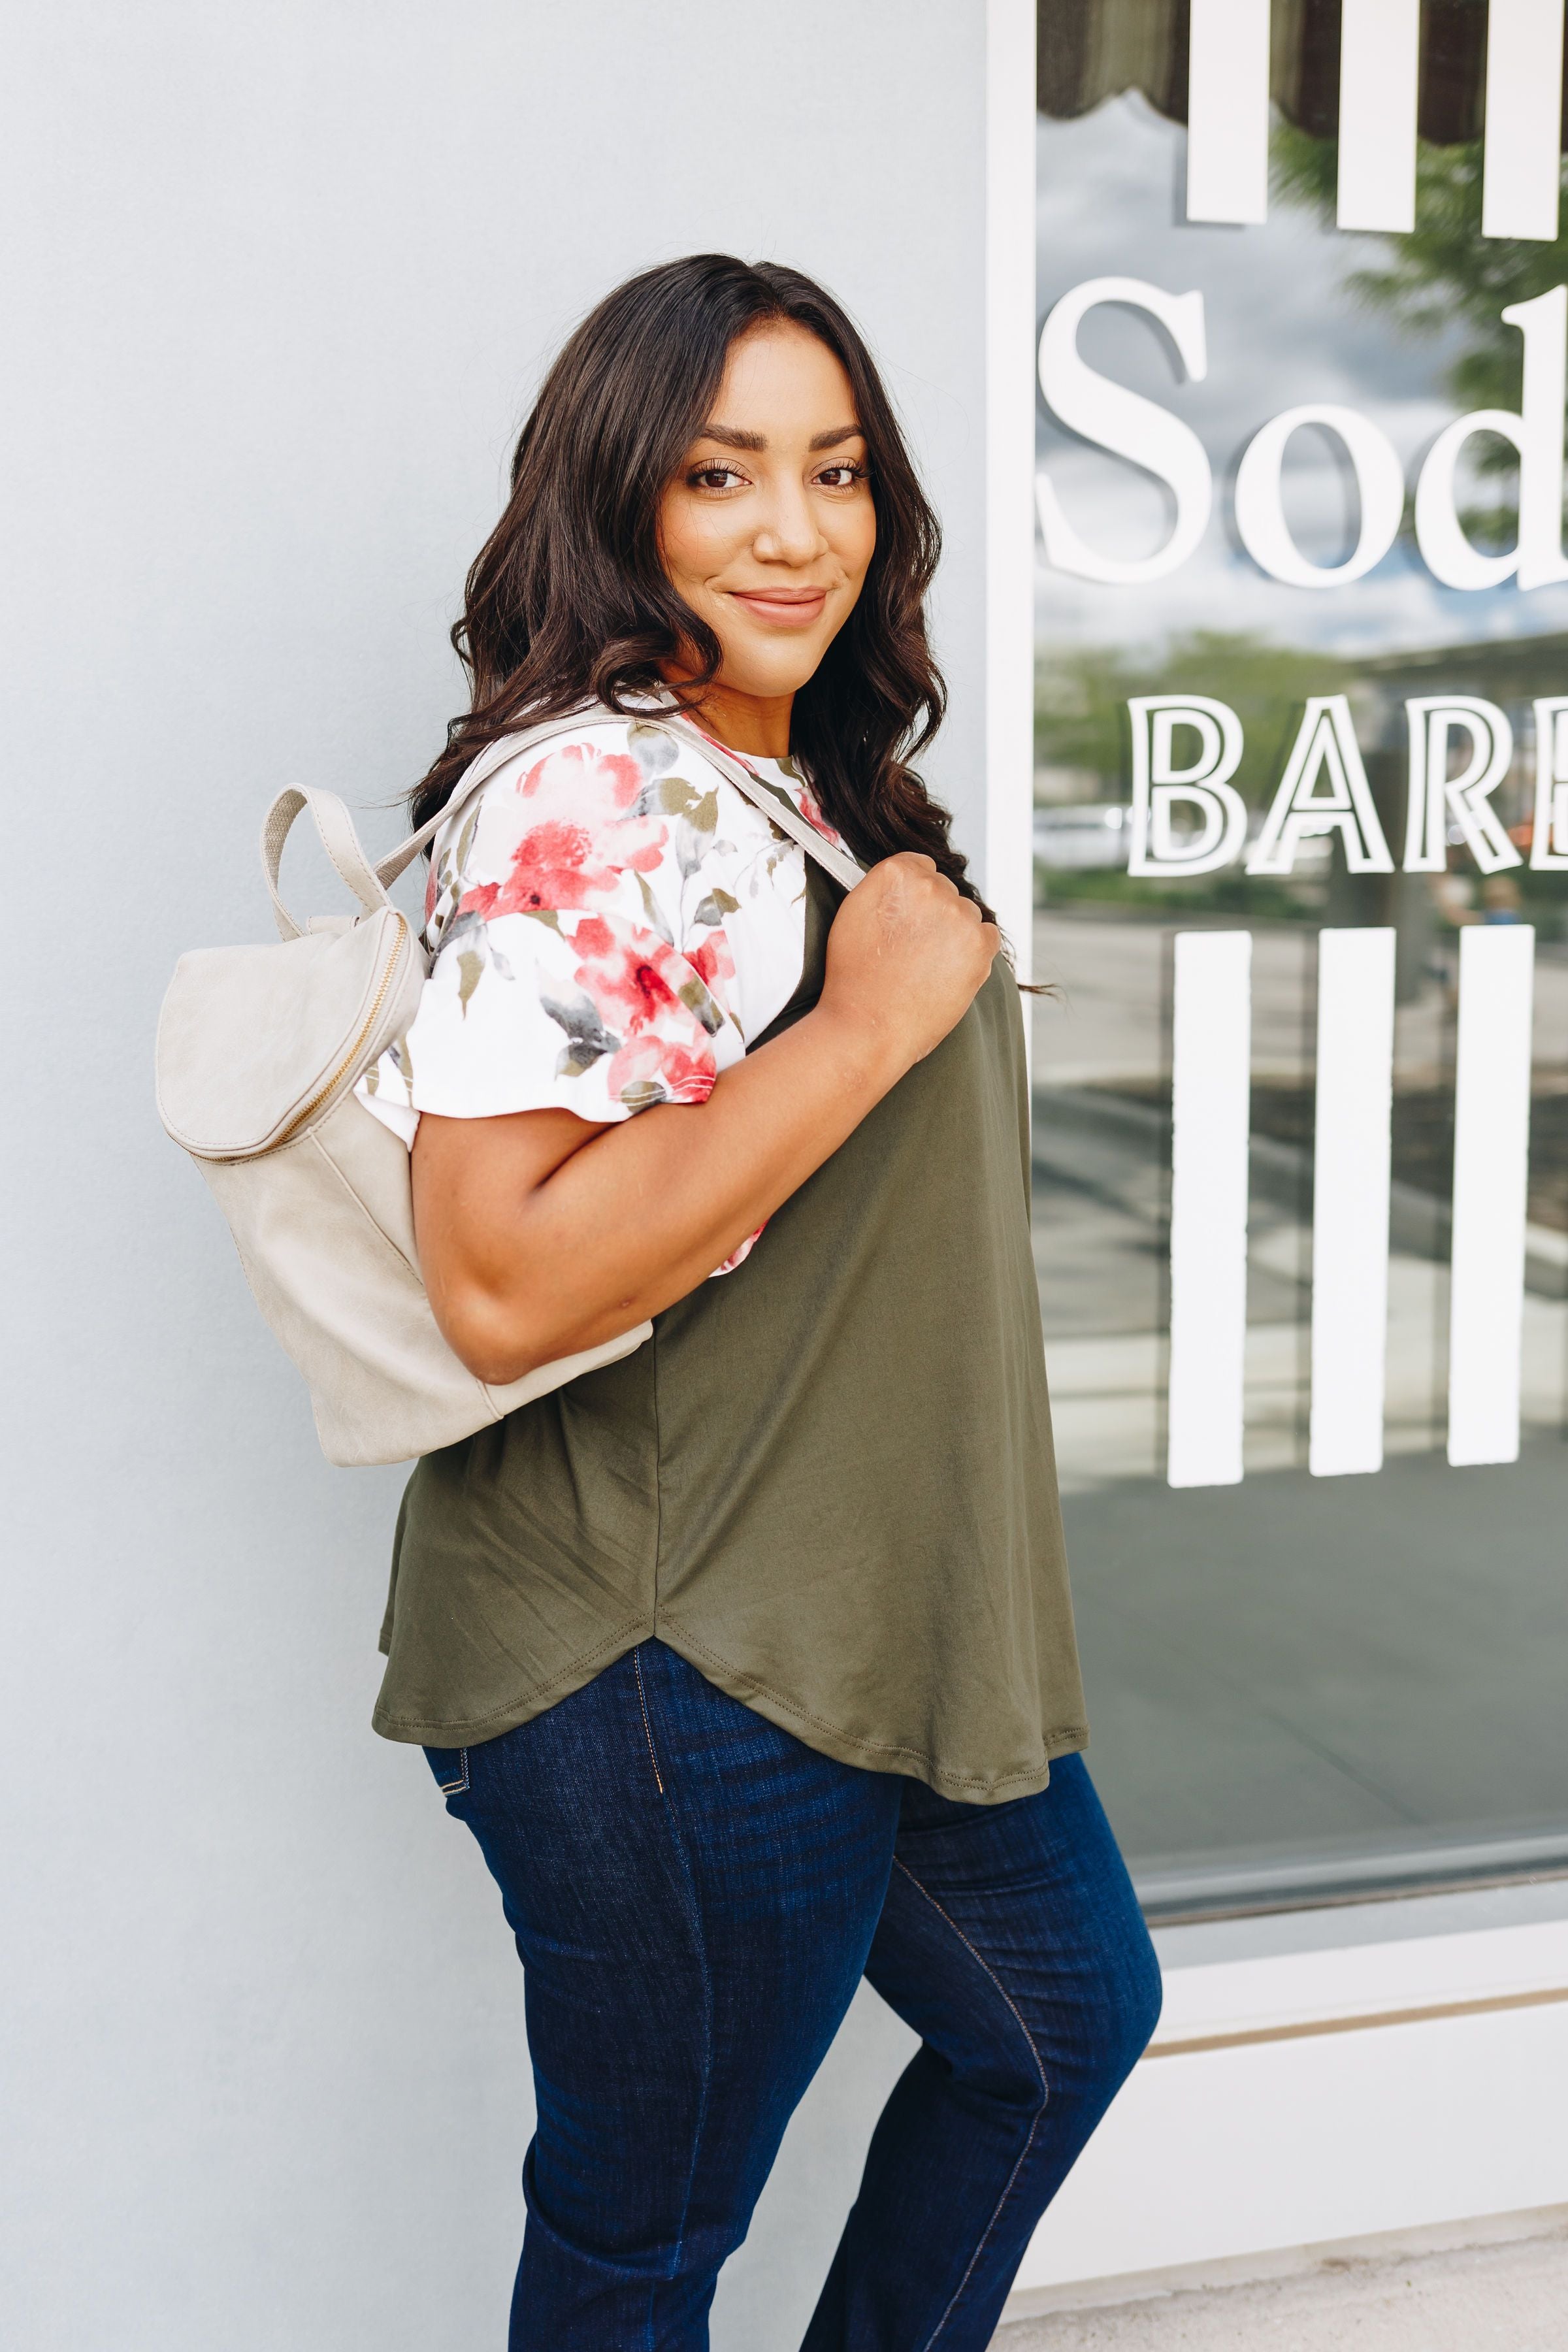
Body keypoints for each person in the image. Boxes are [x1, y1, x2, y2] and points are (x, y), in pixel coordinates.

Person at [358, 253, 1161, 2351]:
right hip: (669, 1648)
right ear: (618, 502)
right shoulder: (591, 790)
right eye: (722, 476)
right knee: (641, 2253)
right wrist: (874, 1021)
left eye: (837, 472)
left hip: (857, 1613)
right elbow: (501, 1276)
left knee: (1061, 2022)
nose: (794, 531)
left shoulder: (781, 784)